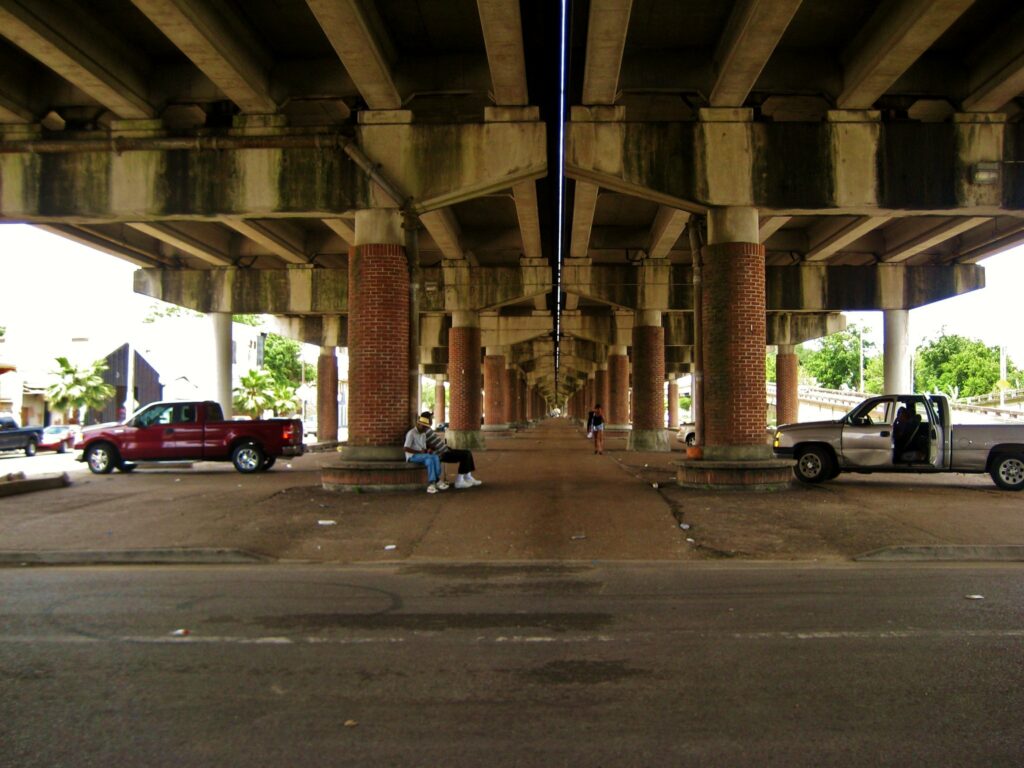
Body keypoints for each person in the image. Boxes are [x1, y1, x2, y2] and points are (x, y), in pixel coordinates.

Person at [421, 411, 482, 489]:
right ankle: (459, 481)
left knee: (467, 452)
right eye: (430, 418)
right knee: (465, 455)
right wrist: (435, 449)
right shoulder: (423, 432)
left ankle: (468, 477)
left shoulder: (428, 429)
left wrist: (445, 447)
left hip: (445, 450)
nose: (432, 420)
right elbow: (424, 446)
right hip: (442, 454)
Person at [404, 415, 445, 494]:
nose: (425, 429)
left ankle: (432, 484)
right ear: (418, 425)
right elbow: (405, 448)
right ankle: (436, 481)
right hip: (412, 456)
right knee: (430, 458)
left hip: (422, 456)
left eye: (426, 427)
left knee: (433, 458)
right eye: (423, 427)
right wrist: (420, 452)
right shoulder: (411, 433)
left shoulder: (423, 434)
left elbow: (423, 448)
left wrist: (427, 450)